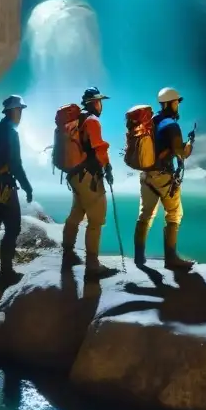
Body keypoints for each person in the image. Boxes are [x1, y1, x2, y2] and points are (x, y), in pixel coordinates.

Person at [134, 87, 195, 270]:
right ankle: (171, 259)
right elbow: (181, 154)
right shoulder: (171, 125)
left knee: (145, 216)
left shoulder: (151, 121)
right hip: (163, 177)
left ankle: (139, 258)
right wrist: (190, 144)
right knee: (175, 214)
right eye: (176, 102)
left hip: (146, 176)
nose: (178, 105)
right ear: (170, 103)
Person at [61, 86, 117, 279]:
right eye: (99, 101)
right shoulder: (92, 121)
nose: (101, 105)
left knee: (77, 213)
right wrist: (107, 168)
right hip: (88, 177)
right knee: (96, 220)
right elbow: (98, 148)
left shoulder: (77, 121)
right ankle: (92, 266)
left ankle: (67, 253)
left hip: (75, 176)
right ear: (94, 103)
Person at [0, 95, 33, 282]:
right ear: (13, 111)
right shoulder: (11, 132)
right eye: (19, 110)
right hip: (6, 187)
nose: (21, 114)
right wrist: (27, 187)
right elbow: (16, 164)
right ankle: (6, 272)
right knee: (13, 228)